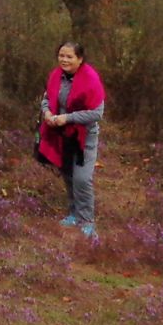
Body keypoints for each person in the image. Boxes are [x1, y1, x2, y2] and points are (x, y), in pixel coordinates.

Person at [38, 40, 105, 238]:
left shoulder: (90, 79)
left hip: (84, 136)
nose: (64, 60)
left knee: (82, 178)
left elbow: (96, 113)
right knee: (67, 174)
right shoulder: (56, 76)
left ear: (80, 59)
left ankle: (87, 220)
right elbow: (46, 99)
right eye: (61, 55)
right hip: (61, 134)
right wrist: (48, 113)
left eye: (69, 56)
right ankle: (74, 213)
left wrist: (68, 118)